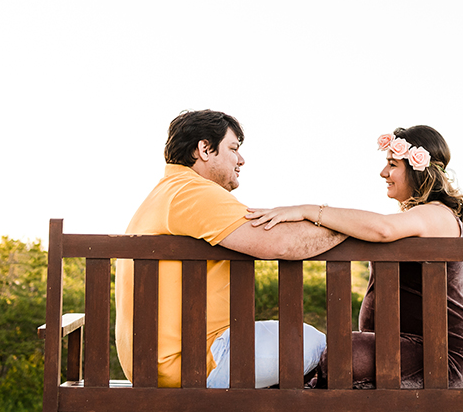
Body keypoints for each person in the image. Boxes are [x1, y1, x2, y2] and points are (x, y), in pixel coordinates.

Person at [113, 110, 346, 389]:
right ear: (204, 149)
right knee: (319, 345)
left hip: (155, 364)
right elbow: (282, 243)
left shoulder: (168, 192)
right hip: (194, 362)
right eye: (234, 149)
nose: (241, 159)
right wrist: (352, 226)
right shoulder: (191, 192)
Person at [246, 124, 463, 389]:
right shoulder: (419, 217)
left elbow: (382, 228)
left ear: (417, 168)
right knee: (332, 353)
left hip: (439, 356)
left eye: (392, 164)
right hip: (400, 347)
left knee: (343, 351)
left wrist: (307, 210)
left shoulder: (438, 214)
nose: (383, 172)